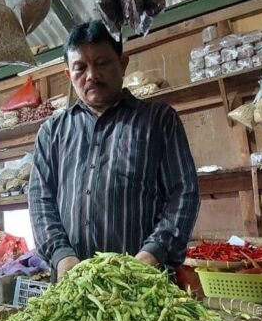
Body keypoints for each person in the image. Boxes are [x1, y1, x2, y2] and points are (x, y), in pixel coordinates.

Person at [29, 20, 200, 283]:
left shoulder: (158, 121)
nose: (91, 75)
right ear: (68, 75)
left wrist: (152, 254)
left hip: (143, 283)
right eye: (80, 67)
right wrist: (61, 254)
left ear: (123, 63)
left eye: (102, 63)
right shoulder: (52, 133)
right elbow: (41, 200)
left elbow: (184, 193)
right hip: (72, 287)